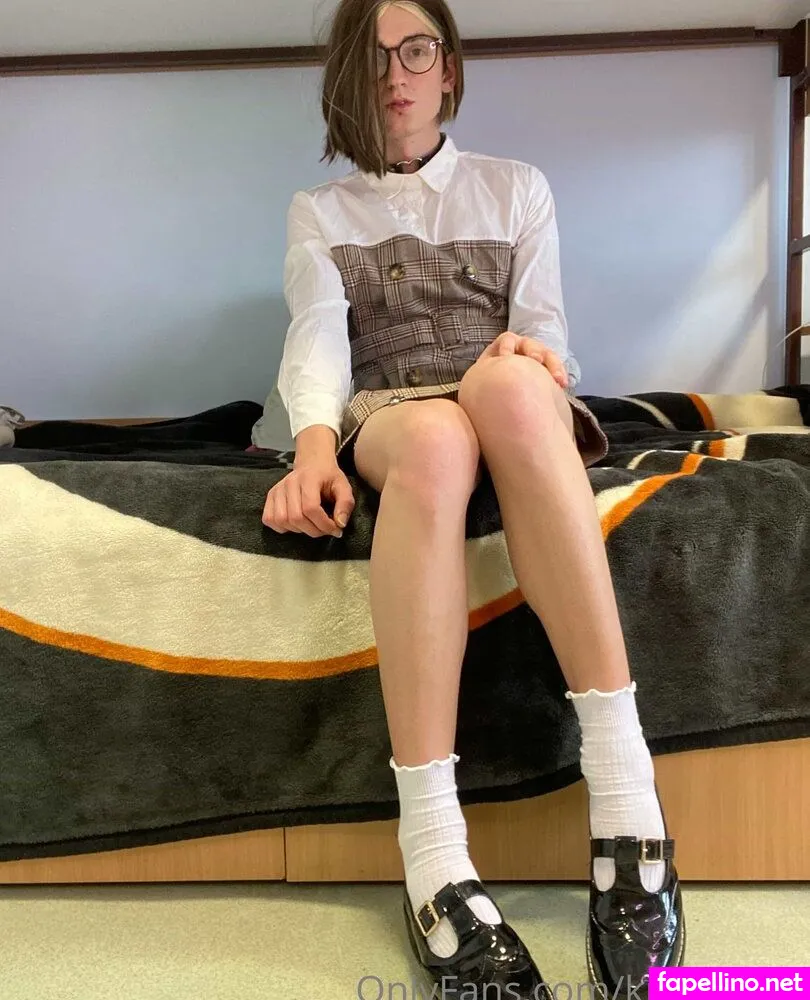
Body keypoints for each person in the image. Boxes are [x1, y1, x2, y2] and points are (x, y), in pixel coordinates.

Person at [262, 1, 685, 995]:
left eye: (417, 51)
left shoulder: (515, 187)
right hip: (396, 411)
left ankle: (627, 795)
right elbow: (316, 335)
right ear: (347, 76)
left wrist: (533, 358)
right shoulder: (321, 211)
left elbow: (546, 328)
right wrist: (312, 445)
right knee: (439, 438)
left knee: (505, 388)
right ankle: (433, 850)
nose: (396, 74)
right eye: (373, 57)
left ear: (448, 69)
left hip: (508, 393)